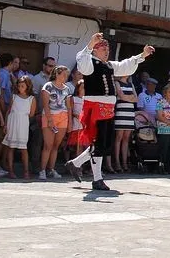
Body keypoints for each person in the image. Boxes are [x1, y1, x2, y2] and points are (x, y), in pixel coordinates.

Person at [65, 33, 153, 192]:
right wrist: (90, 43)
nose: (106, 52)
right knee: (99, 143)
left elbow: (125, 65)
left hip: (108, 109)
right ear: (95, 50)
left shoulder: (110, 65)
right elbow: (81, 61)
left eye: (107, 49)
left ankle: (76, 163)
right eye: (103, 49)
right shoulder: (90, 63)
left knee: (104, 143)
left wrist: (142, 55)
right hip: (95, 108)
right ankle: (97, 179)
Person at [39, 66, 71, 180]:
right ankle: (42, 170)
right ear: (57, 74)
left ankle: (51, 169)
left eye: (67, 75)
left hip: (63, 117)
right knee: (48, 145)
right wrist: (49, 120)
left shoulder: (67, 89)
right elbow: (45, 105)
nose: (65, 77)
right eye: (63, 74)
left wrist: (70, 123)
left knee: (56, 146)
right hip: (49, 116)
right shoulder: (48, 86)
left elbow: (68, 106)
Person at [2, 76, 36, 179]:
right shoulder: (14, 97)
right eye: (19, 85)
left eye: (23, 86)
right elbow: (9, 110)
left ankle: (26, 171)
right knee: (11, 147)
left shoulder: (31, 99)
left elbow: (31, 114)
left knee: (23, 148)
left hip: (23, 124)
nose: (20, 88)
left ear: (28, 86)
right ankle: (11, 171)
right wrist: (5, 124)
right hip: (12, 122)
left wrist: (22, 116)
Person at [112, 74, 137, 173]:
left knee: (126, 138)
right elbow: (120, 95)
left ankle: (125, 162)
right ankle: (117, 162)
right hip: (121, 112)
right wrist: (130, 97)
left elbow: (136, 98)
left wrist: (126, 97)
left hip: (130, 113)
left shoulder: (131, 84)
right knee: (119, 137)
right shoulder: (117, 83)